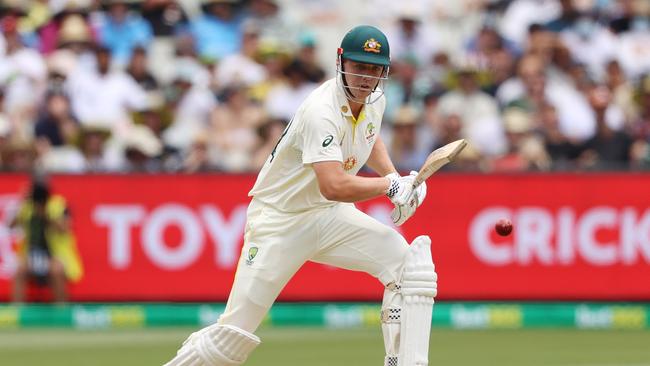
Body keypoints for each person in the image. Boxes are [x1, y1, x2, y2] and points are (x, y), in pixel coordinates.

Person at [164, 25, 437, 366]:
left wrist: (392, 175)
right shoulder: (320, 110)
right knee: (231, 337)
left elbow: (370, 135)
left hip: (328, 215)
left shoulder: (374, 100)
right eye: (359, 67)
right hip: (280, 221)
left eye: (375, 68)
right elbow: (334, 184)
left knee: (408, 268)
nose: (367, 77)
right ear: (341, 62)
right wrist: (390, 188)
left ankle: (404, 362)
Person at [10, 177, 83, 303]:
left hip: (57, 256)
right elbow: (11, 224)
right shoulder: (27, 207)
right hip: (32, 255)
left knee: (56, 269)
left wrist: (45, 214)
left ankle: (61, 311)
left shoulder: (58, 204)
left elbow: (65, 228)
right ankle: (17, 312)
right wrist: (21, 201)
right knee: (19, 269)